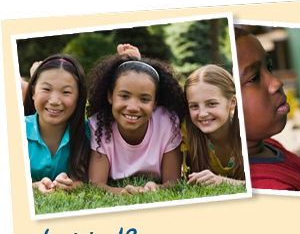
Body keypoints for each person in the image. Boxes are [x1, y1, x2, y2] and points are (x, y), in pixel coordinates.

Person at [234, 27, 300, 193]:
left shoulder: (267, 145)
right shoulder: (271, 189)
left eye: (269, 68)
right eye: (254, 78)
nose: (276, 83)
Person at [86, 53, 187, 195]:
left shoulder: (167, 122)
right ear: (110, 96)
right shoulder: (100, 125)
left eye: (144, 99)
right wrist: (121, 192)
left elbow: (173, 181)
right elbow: (96, 184)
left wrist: (157, 189)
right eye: (124, 96)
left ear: (155, 102)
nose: (133, 107)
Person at [23, 54, 90, 194]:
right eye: (46, 89)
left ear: (79, 98)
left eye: (66, 92)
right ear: (33, 92)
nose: (54, 101)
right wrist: (34, 185)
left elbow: (83, 180)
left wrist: (72, 184)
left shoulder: (87, 132)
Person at [182, 64, 245, 186]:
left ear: (232, 102)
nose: (203, 113)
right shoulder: (186, 131)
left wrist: (224, 182)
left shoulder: (247, 129)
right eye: (194, 106)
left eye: (211, 103)